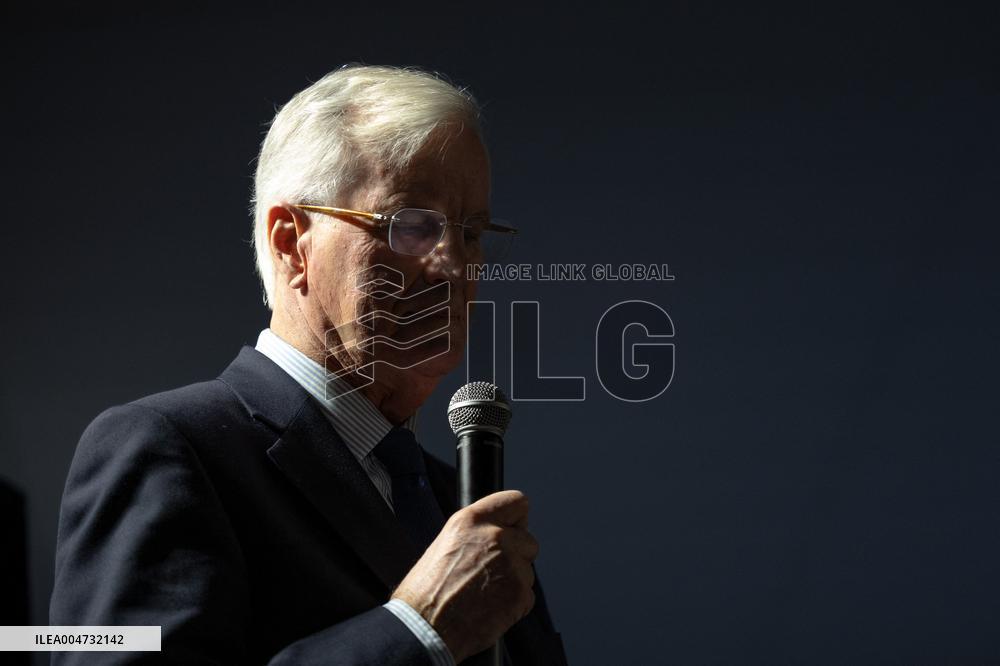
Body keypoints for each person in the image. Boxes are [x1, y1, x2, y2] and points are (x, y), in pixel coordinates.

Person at [49, 64, 567, 665]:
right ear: (291, 243)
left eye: (471, 233)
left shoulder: (461, 502)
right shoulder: (164, 448)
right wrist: (418, 630)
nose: (453, 266)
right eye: (410, 225)